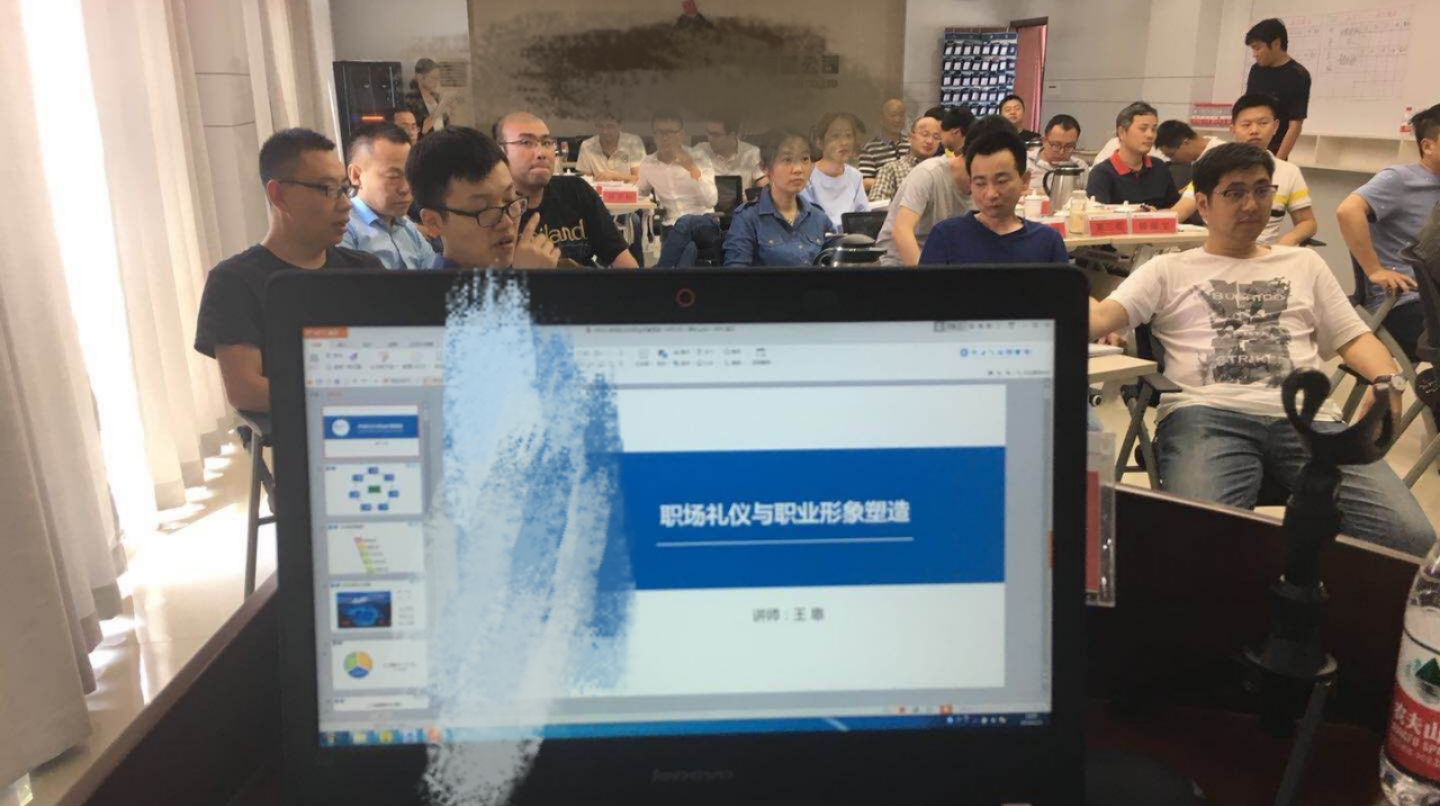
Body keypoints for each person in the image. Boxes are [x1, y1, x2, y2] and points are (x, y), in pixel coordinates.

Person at [1088, 142, 1432, 556]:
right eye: (1235, 193)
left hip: (1310, 421)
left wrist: (1388, 380)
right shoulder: (1168, 268)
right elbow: (1100, 319)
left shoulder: (1303, 264)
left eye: (1262, 190)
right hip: (1206, 415)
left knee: (1411, 539)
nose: (1251, 204)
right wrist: (1057, 279)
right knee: (1200, 541)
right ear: (1203, 204)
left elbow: (1355, 337)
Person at [193, 128, 384, 413]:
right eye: (328, 190)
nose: (345, 204)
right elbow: (246, 390)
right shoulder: (235, 282)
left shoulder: (365, 269)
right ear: (279, 195)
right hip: (299, 429)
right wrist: (346, 397)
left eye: (345, 189)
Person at [1337, 103, 1440, 363]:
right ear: (1428, 146)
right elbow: (1348, 211)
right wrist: (1374, 270)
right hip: (1403, 303)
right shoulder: (1400, 178)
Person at [494, 112, 638, 269]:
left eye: (547, 142)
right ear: (500, 151)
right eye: (526, 142)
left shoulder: (576, 191)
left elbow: (623, 260)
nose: (541, 153)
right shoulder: (492, 212)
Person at [406, 126, 560, 270]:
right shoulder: (434, 289)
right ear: (433, 222)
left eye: (510, 199)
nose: (507, 223)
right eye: (484, 210)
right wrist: (530, 282)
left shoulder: (520, 264)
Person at [1173, 94, 1314, 245]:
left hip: (1265, 252)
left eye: (1263, 123)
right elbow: (1180, 212)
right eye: (1246, 125)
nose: (1254, 130)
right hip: (1218, 249)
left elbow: (1307, 222)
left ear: (1275, 126)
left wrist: (1285, 243)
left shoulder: (1289, 172)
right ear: (1232, 129)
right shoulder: (1212, 167)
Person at [920, 129, 1068, 266]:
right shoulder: (946, 236)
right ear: (970, 184)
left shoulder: (1047, 241)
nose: (991, 194)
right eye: (980, 183)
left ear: (1024, 180)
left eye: (1001, 181)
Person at [873, 114, 1007, 266]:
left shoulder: (989, 190)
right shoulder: (928, 173)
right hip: (900, 264)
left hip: (945, 264)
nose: (993, 189)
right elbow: (901, 231)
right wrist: (928, 277)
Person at [723, 128, 832, 267]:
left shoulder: (819, 218)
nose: (798, 169)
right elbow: (735, 275)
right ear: (764, 168)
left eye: (805, 159)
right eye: (787, 160)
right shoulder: (748, 218)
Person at [339, 123, 436, 270]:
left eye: (409, 175)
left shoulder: (408, 227)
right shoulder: (343, 229)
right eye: (393, 177)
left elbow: (435, 276)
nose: (406, 188)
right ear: (356, 175)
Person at [638, 110, 719, 268]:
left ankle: (658, 272)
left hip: (705, 223)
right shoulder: (648, 164)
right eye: (660, 132)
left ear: (681, 134)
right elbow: (639, 193)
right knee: (689, 248)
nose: (665, 138)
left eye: (670, 132)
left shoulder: (698, 157)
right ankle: (675, 281)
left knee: (685, 221)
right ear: (653, 136)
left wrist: (692, 169)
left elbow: (711, 200)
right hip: (671, 227)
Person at [1086, 102, 1180, 209]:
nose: (1150, 135)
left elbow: (1175, 209)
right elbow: (1098, 214)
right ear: (1122, 132)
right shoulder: (1101, 173)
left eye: (1154, 129)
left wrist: (1156, 214)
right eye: (1143, 129)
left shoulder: (1159, 167)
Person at [1245, 18, 1311, 160]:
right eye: (1252, 49)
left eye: (1257, 48)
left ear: (1276, 43)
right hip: (1249, 147)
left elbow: (1295, 125)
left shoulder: (1297, 75)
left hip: (1275, 150)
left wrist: (1278, 163)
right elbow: (1247, 110)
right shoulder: (1256, 70)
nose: (1254, 54)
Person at [800, 111, 870, 231]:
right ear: (820, 143)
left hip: (852, 240)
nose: (844, 142)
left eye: (848, 135)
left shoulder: (855, 176)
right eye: (836, 136)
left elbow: (863, 217)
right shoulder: (806, 176)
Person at [868, 112, 942, 201]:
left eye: (936, 137)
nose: (930, 141)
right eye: (925, 134)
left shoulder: (942, 171)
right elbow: (878, 206)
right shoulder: (891, 169)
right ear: (910, 137)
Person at [694, 116, 764, 191]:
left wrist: (748, 196)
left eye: (716, 135)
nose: (710, 138)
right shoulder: (700, 151)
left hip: (741, 197)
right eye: (709, 132)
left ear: (732, 135)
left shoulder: (752, 153)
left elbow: (764, 188)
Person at [575, 111, 647, 182]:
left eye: (610, 126)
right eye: (600, 126)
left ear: (620, 126)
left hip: (628, 189)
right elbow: (585, 182)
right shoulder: (587, 145)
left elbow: (640, 179)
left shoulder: (633, 142)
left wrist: (615, 176)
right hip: (597, 189)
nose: (605, 131)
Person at [1027, 114, 1088, 194]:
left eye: (1069, 146)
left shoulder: (1080, 166)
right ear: (1044, 141)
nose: (1061, 152)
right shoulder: (1025, 161)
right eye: (1056, 145)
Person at [858, 98, 909, 194]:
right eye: (893, 115)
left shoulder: (911, 144)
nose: (897, 119)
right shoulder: (870, 149)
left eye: (901, 115)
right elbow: (865, 183)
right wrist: (894, 184)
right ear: (881, 118)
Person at [405, 58, 456, 137]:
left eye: (438, 78)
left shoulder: (437, 97)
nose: (436, 82)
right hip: (425, 142)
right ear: (420, 77)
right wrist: (441, 105)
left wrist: (452, 111)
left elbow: (448, 128)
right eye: (433, 78)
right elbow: (422, 129)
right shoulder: (411, 99)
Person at [1154, 121, 1224, 165]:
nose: (1173, 160)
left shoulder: (1221, 155)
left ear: (1186, 142)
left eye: (1171, 155)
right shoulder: (1197, 159)